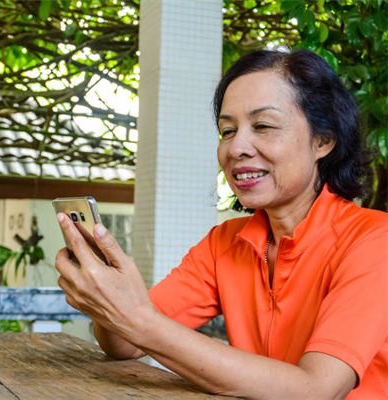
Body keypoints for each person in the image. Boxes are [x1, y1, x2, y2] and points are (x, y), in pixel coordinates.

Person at [54, 49, 388, 399]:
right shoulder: (224, 244)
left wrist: (139, 320)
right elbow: (123, 343)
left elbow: (316, 390)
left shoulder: (373, 241)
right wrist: (109, 294)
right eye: (227, 131)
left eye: (263, 126)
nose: (237, 147)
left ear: (323, 141)